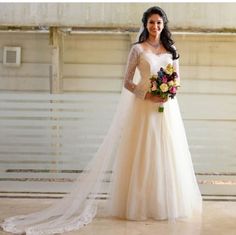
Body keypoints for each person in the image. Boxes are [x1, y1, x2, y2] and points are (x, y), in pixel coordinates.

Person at [1, 6, 202, 235]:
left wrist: (168, 93)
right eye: (151, 22)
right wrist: (147, 95)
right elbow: (127, 81)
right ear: (145, 25)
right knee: (143, 152)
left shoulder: (172, 50)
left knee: (167, 152)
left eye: (158, 22)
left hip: (166, 109)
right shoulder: (137, 49)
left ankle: (165, 203)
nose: (155, 27)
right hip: (143, 107)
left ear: (164, 24)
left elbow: (177, 81)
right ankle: (139, 205)